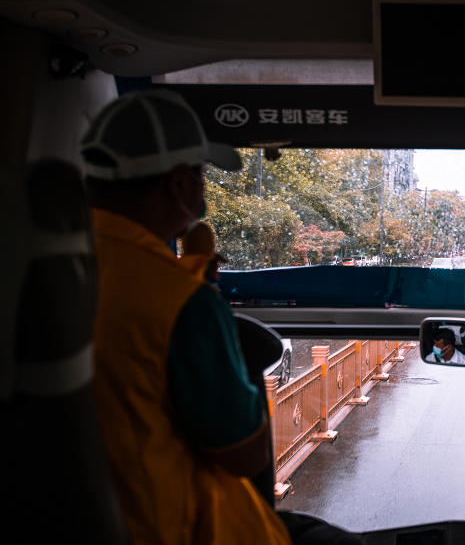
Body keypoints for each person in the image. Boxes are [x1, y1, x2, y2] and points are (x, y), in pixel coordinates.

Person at [83, 89, 358, 545]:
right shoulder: (179, 299)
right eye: (202, 176)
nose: (203, 191)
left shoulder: (35, 271)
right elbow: (243, 455)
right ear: (178, 184)